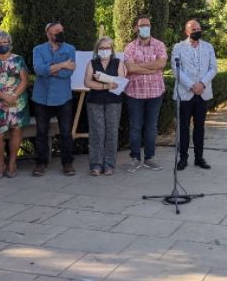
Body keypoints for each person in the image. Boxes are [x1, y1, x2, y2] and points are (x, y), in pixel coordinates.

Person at [0, 30, 30, 179]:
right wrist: (4, 97)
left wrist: (13, 96)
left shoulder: (18, 60)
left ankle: (12, 163)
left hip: (17, 103)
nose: (2, 45)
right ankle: (0, 165)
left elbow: (24, 80)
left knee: (16, 132)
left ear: (10, 43)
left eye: (5, 42)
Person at [171, 20, 217, 170]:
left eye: (199, 28)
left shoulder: (208, 47)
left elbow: (213, 68)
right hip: (185, 93)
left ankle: (199, 158)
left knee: (200, 127)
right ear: (187, 32)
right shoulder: (178, 47)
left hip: (202, 93)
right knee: (183, 127)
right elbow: (176, 70)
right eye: (193, 29)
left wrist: (202, 84)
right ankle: (183, 158)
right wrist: (191, 85)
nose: (197, 31)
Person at [31, 22, 76, 176]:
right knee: (41, 132)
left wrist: (51, 68)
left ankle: (67, 163)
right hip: (41, 97)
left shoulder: (70, 49)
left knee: (65, 132)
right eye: (57, 31)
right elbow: (39, 70)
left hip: (63, 97)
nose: (60, 33)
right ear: (49, 34)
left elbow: (68, 73)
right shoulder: (38, 49)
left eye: (61, 30)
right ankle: (40, 163)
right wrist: (62, 64)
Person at [123, 15, 167, 172]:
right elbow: (131, 68)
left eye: (147, 25)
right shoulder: (129, 47)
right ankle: (135, 158)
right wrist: (152, 68)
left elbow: (161, 63)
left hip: (155, 93)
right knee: (135, 126)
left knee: (151, 127)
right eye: (142, 25)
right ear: (136, 28)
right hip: (134, 93)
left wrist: (139, 65)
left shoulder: (159, 45)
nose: (145, 27)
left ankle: (149, 158)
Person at [83, 36, 126, 176]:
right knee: (97, 133)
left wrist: (107, 83)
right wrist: (106, 85)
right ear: (97, 50)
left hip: (114, 102)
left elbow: (120, 82)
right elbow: (87, 83)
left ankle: (109, 165)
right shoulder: (92, 63)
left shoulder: (118, 62)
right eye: (101, 48)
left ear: (112, 50)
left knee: (111, 133)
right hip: (94, 101)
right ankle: (96, 165)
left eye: (107, 48)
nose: (104, 50)